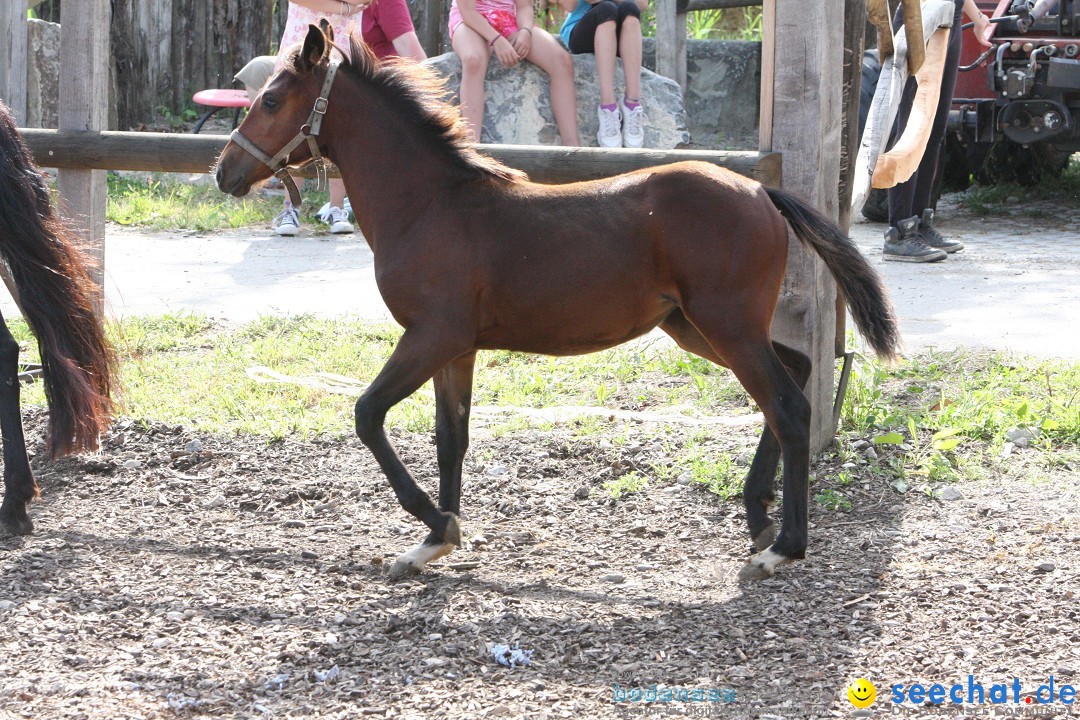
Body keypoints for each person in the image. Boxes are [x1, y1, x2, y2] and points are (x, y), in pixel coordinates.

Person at [883, 0, 992, 262]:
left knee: (934, 131)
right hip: (919, 18)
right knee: (912, 127)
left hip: (949, 22)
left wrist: (977, 19)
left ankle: (921, 223)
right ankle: (900, 231)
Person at [449, 0, 580, 146]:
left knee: (562, 61)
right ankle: (471, 147)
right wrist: (497, 40)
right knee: (474, 60)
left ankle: (572, 147)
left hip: (509, 17)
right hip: (470, 21)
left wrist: (525, 31)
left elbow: (524, 7)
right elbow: (468, 12)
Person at [559, 0, 647, 148]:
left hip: (621, 35)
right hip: (584, 32)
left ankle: (632, 105)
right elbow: (570, 6)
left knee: (630, 8)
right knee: (607, 8)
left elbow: (642, 4)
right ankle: (608, 107)